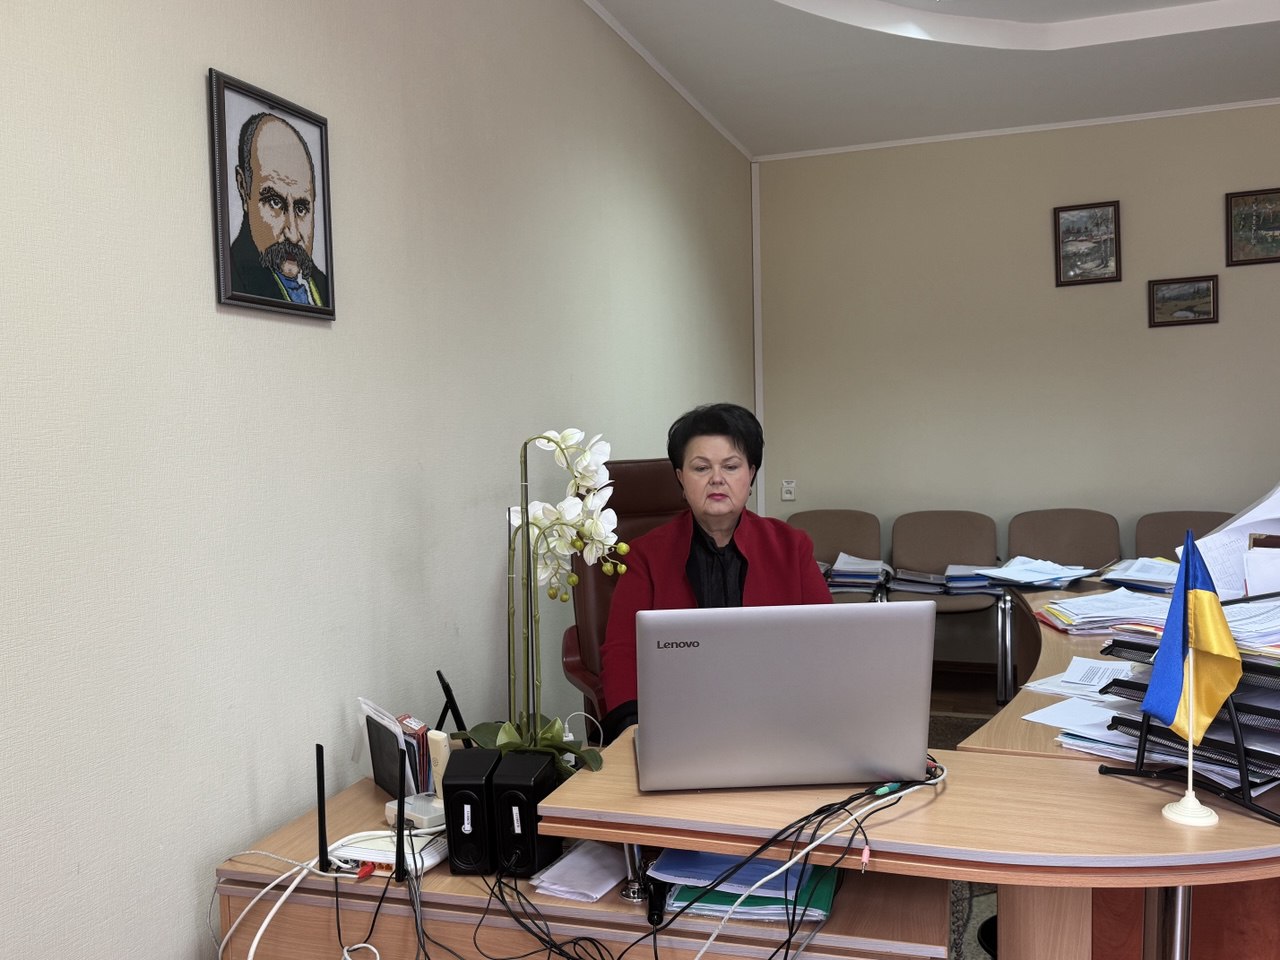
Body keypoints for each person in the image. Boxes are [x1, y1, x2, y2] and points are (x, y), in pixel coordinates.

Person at [598, 403, 831, 742]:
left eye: (731, 466)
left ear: (751, 474)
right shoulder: (644, 555)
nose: (717, 479)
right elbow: (621, 652)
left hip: (779, 720)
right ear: (681, 478)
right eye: (701, 467)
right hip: (676, 724)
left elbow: (826, 643)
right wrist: (635, 732)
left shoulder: (792, 547)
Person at [230, 112, 330, 307]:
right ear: (243, 188)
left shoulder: (323, 286)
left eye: (301, 209)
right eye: (275, 203)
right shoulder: (236, 279)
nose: (293, 235)